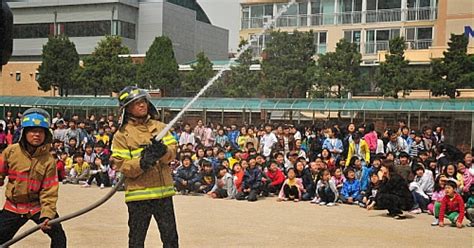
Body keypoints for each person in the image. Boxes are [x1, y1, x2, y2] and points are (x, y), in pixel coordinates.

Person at [111, 86, 179, 247]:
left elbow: (173, 152)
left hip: (163, 194)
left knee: (171, 239)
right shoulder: (122, 135)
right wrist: (142, 162)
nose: (142, 105)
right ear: (126, 108)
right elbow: (122, 165)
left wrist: (163, 151)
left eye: (143, 101)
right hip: (138, 196)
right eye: (136, 103)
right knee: (136, 241)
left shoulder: (160, 127)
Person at [0, 108, 67, 246]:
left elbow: (49, 191)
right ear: (24, 132)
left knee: (59, 237)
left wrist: (48, 215)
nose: (37, 135)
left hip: (38, 207)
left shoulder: (48, 160)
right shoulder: (11, 152)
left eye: (41, 131)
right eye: (32, 130)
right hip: (14, 206)